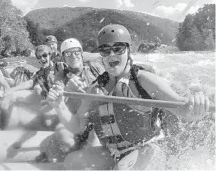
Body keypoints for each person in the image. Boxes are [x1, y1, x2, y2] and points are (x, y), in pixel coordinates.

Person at [47, 24, 211, 170]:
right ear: (101, 55)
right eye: (105, 50)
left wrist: (196, 106)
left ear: (128, 51)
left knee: (123, 168)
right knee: (72, 162)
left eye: (118, 49)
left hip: (148, 149)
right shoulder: (95, 89)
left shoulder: (143, 80)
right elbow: (76, 125)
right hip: (113, 152)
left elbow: (182, 107)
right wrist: (59, 105)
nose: (111, 54)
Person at [35, 38, 104, 162]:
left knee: (94, 139)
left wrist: (91, 89)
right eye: (68, 53)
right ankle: (75, 155)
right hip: (75, 119)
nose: (73, 56)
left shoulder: (95, 68)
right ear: (64, 57)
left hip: (95, 118)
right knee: (63, 135)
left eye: (76, 52)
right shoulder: (61, 76)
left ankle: (86, 155)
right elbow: (58, 91)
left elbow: (109, 86)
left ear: (81, 53)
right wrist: (68, 88)